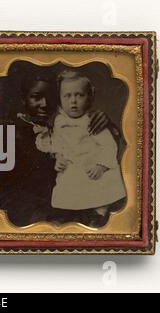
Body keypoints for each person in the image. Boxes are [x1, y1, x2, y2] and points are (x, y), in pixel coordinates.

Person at [0, 73, 111, 227]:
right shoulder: (9, 134)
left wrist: (104, 122)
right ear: (24, 99)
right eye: (36, 97)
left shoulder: (63, 127)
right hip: (33, 220)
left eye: (51, 97)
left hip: (70, 211)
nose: (45, 103)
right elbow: (8, 194)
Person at [34, 70, 126, 227]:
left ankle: (99, 212)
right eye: (67, 96)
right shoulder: (58, 121)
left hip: (91, 166)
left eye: (79, 95)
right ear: (60, 99)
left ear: (89, 98)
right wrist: (59, 158)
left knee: (98, 189)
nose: (73, 101)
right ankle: (66, 213)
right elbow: (57, 144)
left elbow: (109, 145)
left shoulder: (92, 121)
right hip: (72, 167)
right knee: (68, 189)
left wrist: (101, 165)